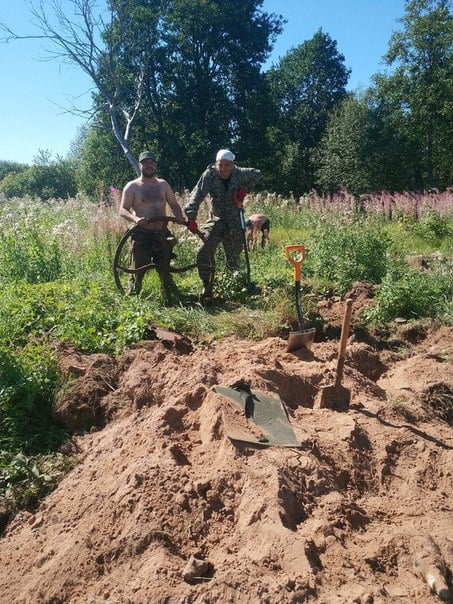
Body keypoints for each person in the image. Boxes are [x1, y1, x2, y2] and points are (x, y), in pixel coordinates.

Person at [184, 149, 261, 300]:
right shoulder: (210, 175)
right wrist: (191, 216)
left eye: (227, 165)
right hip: (216, 220)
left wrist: (244, 190)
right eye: (220, 164)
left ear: (232, 165)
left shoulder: (240, 173)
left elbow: (257, 173)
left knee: (233, 259)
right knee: (203, 252)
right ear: (216, 164)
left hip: (234, 221)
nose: (223, 168)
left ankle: (233, 288)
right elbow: (197, 194)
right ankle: (207, 286)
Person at [119, 150, 184, 302]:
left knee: (165, 267)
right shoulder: (132, 187)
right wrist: (136, 219)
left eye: (152, 162)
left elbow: (174, 204)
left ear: (155, 165)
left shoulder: (163, 185)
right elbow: (122, 210)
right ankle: (133, 299)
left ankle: (172, 295)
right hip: (141, 233)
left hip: (162, 233)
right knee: (138, 269)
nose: (149, 165)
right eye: (145, 162)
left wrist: (179, 216)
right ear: (140, 165)